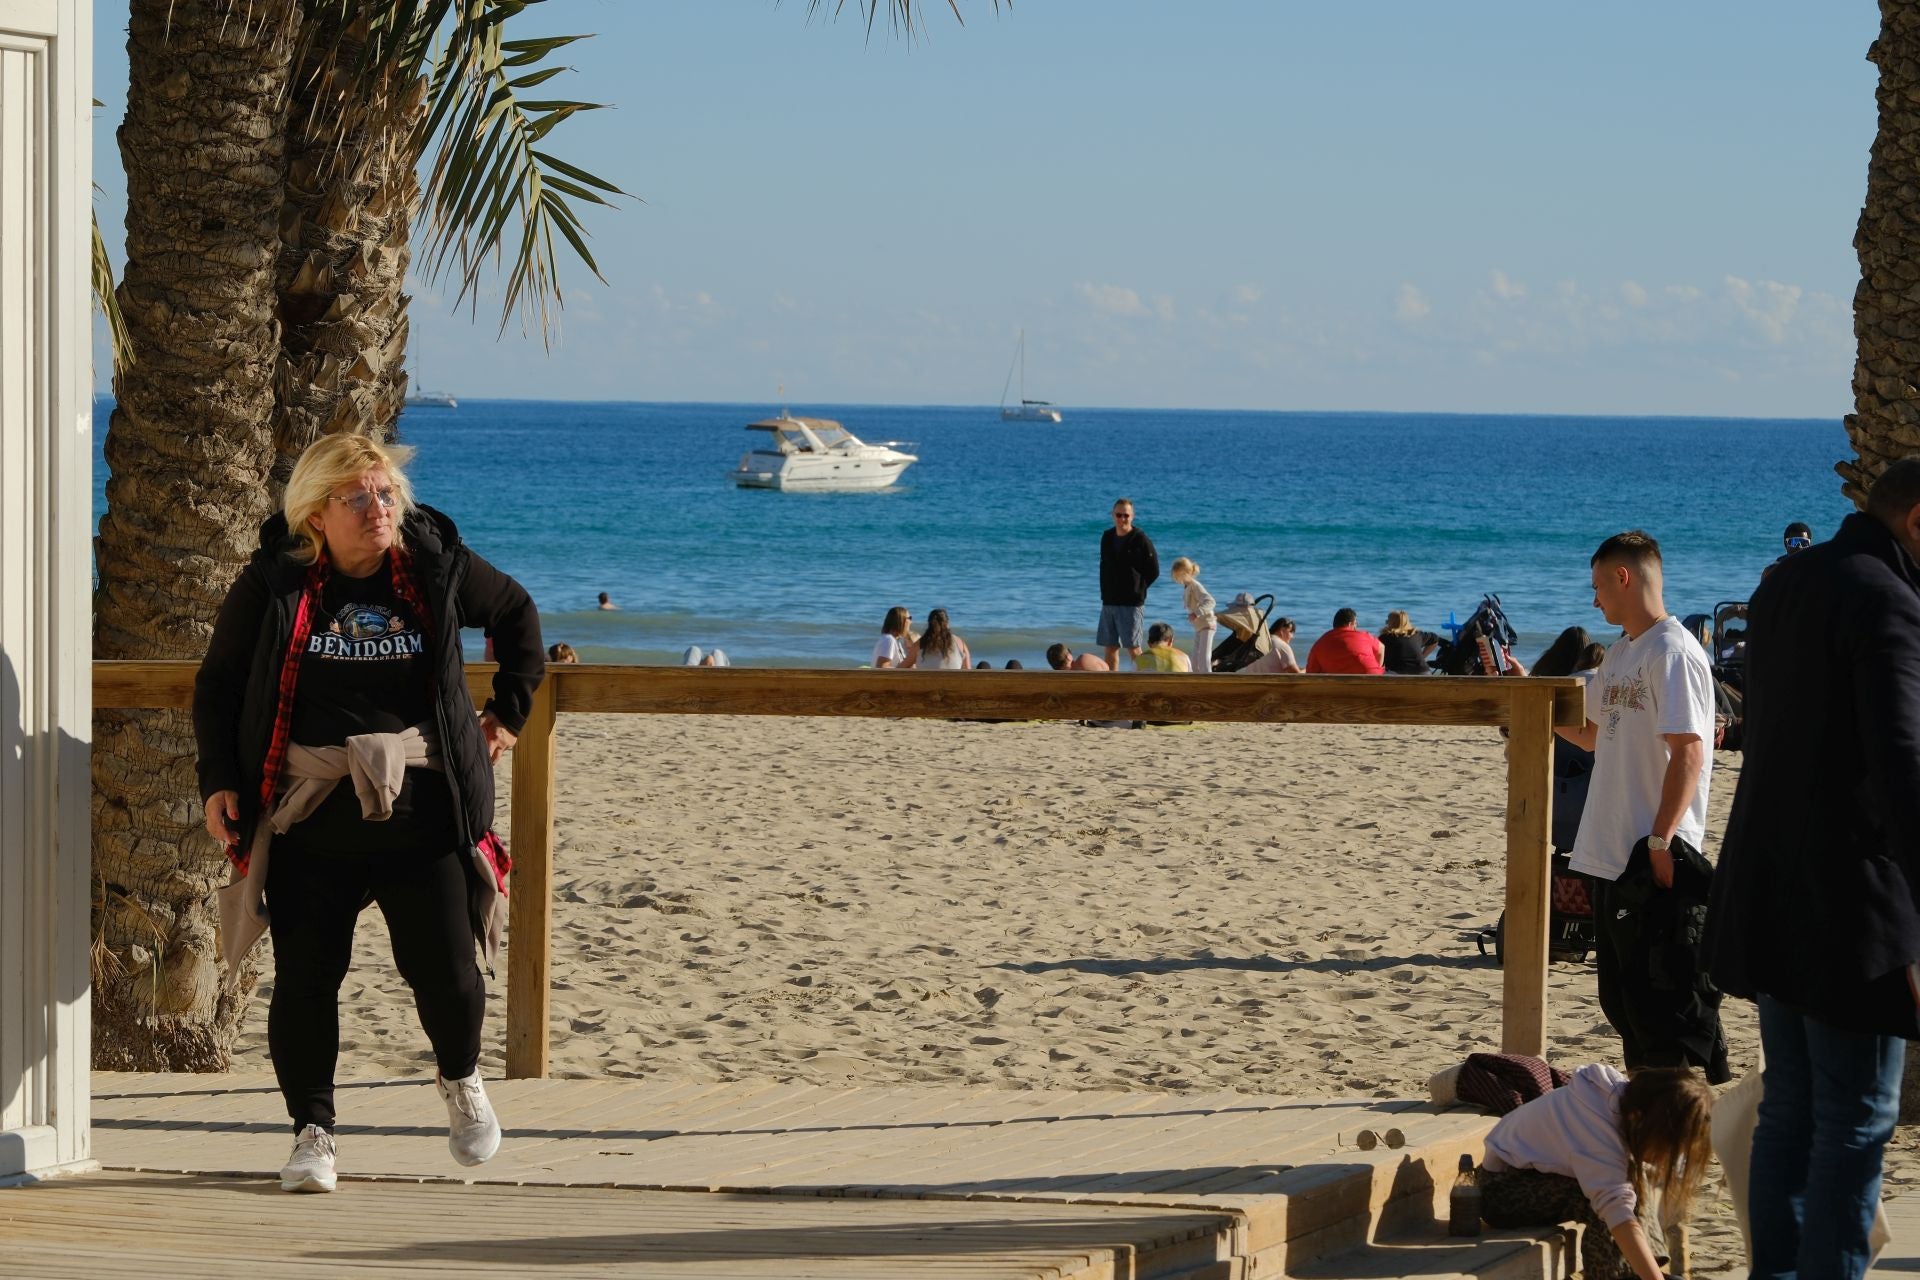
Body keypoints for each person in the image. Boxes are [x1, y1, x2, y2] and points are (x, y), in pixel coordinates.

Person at [193, 433, 543, 1195]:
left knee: (448, 973)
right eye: (360, 498)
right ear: (317, 514)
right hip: (311, 815)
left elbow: (517, 616)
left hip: (423, 809)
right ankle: (312, 1135)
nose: (380, 510)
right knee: (307, 979)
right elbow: (218, 684)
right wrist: (219, 777)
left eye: (387, 495)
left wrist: (506, 718)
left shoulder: (434, 567)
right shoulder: (276, 581)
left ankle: (460, 1080)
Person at [1704, 460, 1920, 1278]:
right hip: (1852, 906)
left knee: (1791, 1110)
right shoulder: (1888, 600)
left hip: (1768, 885)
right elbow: (1902, 768)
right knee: (1858, 1117)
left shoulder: (1786, 585)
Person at [1560, 530, 1727, 1083]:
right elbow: (1593, 736)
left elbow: (1690, 752)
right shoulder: (1623, 651)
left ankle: (1678, 1130)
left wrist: (1662, 839)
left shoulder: (1674, 652)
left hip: (1651, 854)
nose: (1594, 600)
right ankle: (1654, 1127)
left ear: (1623, 577)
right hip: (1610, 855)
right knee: (1624, 1005)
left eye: (1598, 586)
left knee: (1667, 1012)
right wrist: (1519, 698)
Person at [1479, 1064, 1713, 1280]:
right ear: (1640, 1120)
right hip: (1500, 1190)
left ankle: (1636, 1272)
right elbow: (1615, 1210)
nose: (1665, 1158)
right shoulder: (1596, 1129)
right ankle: (1613, 1276)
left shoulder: (1627, 1104)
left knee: (1628, 1183)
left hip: (1539, 1177)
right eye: (1665, 1148)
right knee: (1602, 1200)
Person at [1098, 498, 1159, 670]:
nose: (1122, 519)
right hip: (1109, 601)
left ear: (1132, 516)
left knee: (1133, 647)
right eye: (1119, 515)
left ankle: (1144, 683)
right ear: (1113, 515)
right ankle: (1113, 687)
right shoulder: (1107, 537)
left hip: (1131, 604)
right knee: (1110, 647)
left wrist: (1138, 589)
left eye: (1126, 515)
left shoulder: (1141, 539)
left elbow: (1153, 571)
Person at [1169, 557, 1217, 673]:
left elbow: (1211, 601)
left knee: (1203, 658)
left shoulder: (1195, 585)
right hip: (1199, 626)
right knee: (1195, 658)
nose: (1176, 578)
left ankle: (1208, 682)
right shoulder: (1187, 586)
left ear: (1184, 573)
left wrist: (1197, 613)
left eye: (1177, 575)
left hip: (1207, 624)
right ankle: (1195, 680)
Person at [1305, 608, 1386, 674]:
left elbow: (1311, 672)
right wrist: (1376, 667)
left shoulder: (1321, 642)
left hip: (1339, 689)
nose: (1356, 628)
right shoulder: (1365, 636)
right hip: (1373, 682)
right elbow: (1382, 647)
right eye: (1356, 624)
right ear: (1351, 624)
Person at [1378, 610, 1440, 675]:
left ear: (1392, 623)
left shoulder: (1385, 637)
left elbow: (1379, 656)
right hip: (1423, 673)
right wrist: (1423, 656)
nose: (1386, 623)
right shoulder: (1417, 635)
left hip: (1398, 674)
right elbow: (1435, 639)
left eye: (1387, 621)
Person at [1045, 643, 1111, 671]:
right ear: (1068, 657)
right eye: (1068, 651)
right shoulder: (1083, 660)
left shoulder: (1064, 680)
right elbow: (1107, 669)